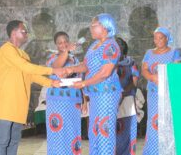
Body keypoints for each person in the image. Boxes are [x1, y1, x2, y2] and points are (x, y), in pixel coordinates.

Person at [0, 20, 63, 155]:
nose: (27, 34)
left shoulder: (24, 55)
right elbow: (25, 67)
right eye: (24, 31)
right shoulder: (6, 49)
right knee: (3, 140)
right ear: (13, 33)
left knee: (14, 140)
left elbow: (31, 75)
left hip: (19, 105)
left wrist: (51, 83)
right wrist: (51, 70)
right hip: (6, 103)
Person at [68, 13, 122, 155]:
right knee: (94, 132)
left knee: (105, 132)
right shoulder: (94, 45)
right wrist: (70, 69)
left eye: (94, 26)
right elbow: (86, 66)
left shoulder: (111, 46)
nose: (90, 28)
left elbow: (105, 73)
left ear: (104, 27)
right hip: (96, 95)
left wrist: (84, 83)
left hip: (107, 94)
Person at [142, 27, 181, 154]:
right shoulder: (149, 53)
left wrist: (163, 78)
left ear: (167, 38)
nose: (158, 41)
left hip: (168, 93)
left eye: (161, 38)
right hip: (153, 93)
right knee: (154, 120)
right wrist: (152, 77)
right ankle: (153, 150)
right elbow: (144, 69)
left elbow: (177, 70)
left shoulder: (175, 52)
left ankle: (169, 149)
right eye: (155, 38)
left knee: (167, 119)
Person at [45, 31, 84, 155]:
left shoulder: (75, 59)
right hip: (57, 102)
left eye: (65, 42)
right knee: (58, 132)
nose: (63, 45)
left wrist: (84, 100)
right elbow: (56, 67)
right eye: (60, 43)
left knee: (73, 131)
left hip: (74, 102)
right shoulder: (52, 58)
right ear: (56, 45)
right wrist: (66, 51)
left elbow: (80, 79)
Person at [115, 37, 139, 155]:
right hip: (110, 100)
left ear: (124, 46)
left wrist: (122, 93)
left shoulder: (131, 62)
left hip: (127, 99)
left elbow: (134, 82)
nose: (117, 46)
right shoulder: (107, 62)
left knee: (127, 131)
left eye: (119, 44)